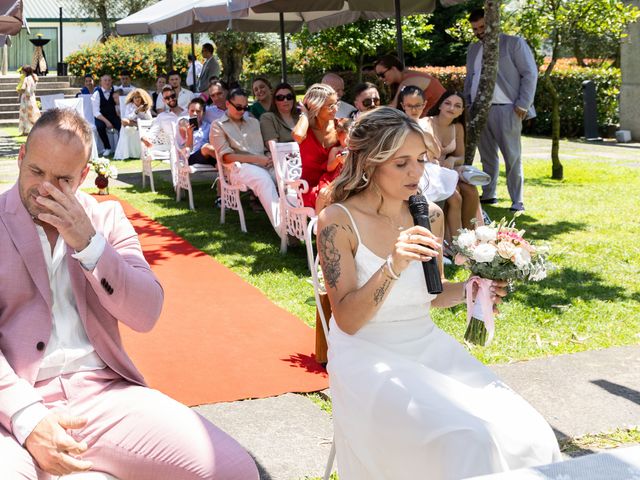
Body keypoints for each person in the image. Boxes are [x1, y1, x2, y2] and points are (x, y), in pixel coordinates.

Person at [0, 108, 259, 480]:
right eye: (36, 172)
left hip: (104, 394)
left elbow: (146, 312)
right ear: (21, 157)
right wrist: (27, 417)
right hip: (13, 402)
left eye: (61, 180)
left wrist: (89, 245)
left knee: (235, 471)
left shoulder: (107, 219)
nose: (44, 189)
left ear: (84, 176)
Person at [317, 106, 561, 480]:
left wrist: (470, 290)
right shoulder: (337, 221)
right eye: (401, 163)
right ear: (369, 163)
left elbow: (431, 293)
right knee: (471, 439)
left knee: (528, 430)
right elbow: (347, 321)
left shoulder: (427, 214)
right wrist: (393, 265)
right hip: (366, 355)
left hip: (425, 345)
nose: (416, 173)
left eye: (420, 160)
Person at [463, 7, 538, 212]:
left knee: (512, 157)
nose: (479, 32)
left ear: (493, 23)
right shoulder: (473, 49)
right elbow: (470, 78)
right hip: (480, 109)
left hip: (508, 109)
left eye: (482, 27)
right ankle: (489, 194)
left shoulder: (514, 43)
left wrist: (523, 104)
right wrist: (468, 104)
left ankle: (517, 200)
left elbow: (530, 74)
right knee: (487, 156)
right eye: (475, 28)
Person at [210, 88, 280, 232]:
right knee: (263, 179)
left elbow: (264, 147)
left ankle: (298, 224)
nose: (242, 110)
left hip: (263, 163)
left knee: (286, 179)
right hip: (238, 168)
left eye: (245, 107)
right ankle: (284, 230)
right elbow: (226, 157)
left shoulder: (254, 122)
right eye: (238, 107)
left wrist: (270, 157)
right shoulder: (218, 125)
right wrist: (256, 159)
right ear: (228, 104)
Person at [424, 90, 484, 254]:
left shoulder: (457, 127)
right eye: (448, 103)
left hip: (447, 171)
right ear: (440, 105)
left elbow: (461, 156)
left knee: (471, 191)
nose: (452, 108)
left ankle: (470, 236)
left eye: (457, 106)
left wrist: (452, 160)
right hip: (429, 170)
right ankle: (454, 244)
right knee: (455, 195)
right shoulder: (427, 122)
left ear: (462, 111)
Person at [292, 83, 339, 210]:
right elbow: (297, 135)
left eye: (336, 104)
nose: (336, 109)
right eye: (330, 106)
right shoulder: (305, 129)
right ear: (316, 107)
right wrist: (305, 115)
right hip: (310, 188)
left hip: (334, 184)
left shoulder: (339, 126)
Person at [375, 54, 446, 115]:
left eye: (382, 74)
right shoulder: (405, 79)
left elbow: (394, 109)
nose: (380, 78)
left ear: (393, 69)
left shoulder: (409, 82)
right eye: (378, 75)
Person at [314, 118, 350, 214]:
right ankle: (317, 218)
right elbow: (329, 168)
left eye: (351, 140)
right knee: (323, 193)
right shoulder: (335, 150)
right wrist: (337, 160)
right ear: (338, 137)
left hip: (346, 180)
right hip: (332, 179)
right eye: (345, 139)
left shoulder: (354, 151)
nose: (348, 143)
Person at [114, 88, 153, 160]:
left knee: (129, 122)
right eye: (135, 97)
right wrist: (136, 111)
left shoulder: (145, 106)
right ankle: (127, 153)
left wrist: (144, 111)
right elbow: (128, 117)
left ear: (142, 98)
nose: (137, 99)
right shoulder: (130, 105)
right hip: (132, 123)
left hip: (142, 124)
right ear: (132, 98)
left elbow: (149, 119)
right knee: (124, 121)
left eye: (139, 97)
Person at [176, 97, 216, 166]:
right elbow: (188, 150)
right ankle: (226, 162)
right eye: (192, 111)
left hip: (208, 156)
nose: (195, 113)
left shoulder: (208, 126)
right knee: (206, 148)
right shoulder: (185, 125)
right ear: (188, 112)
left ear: (203, 113)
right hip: (191, 156)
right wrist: (190, 134)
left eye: (198, 111)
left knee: (211, 152)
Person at [259, 82, 300, 148]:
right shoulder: (268, 118)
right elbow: (273, 147)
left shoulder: (301, 116)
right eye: (280, 97)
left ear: (293, 99)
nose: (285, 100)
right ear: (274, 101)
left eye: (289, 97)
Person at [91, 74, 121, 157]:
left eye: (109, 80)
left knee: (121, 126)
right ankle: (107, 147)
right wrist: (107, 122)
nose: (107, 82)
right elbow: (96, 112)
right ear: (101, 82)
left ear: (111, 81)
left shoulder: (115, 90)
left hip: (113, 115)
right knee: (100, 126)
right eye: (105, 80)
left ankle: (120, 147)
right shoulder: (96, 94)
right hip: (101, 116)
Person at [17, 65, 40, 136]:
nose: (22, 72)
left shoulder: (26, 79)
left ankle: (25, 130)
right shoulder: (33, 78)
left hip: (25, 98)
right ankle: (34, 129)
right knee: (32, 113)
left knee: (25, 114)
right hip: (32, 97)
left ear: (25, 71)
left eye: (23, 70)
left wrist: (19, 90)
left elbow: (24, 88)